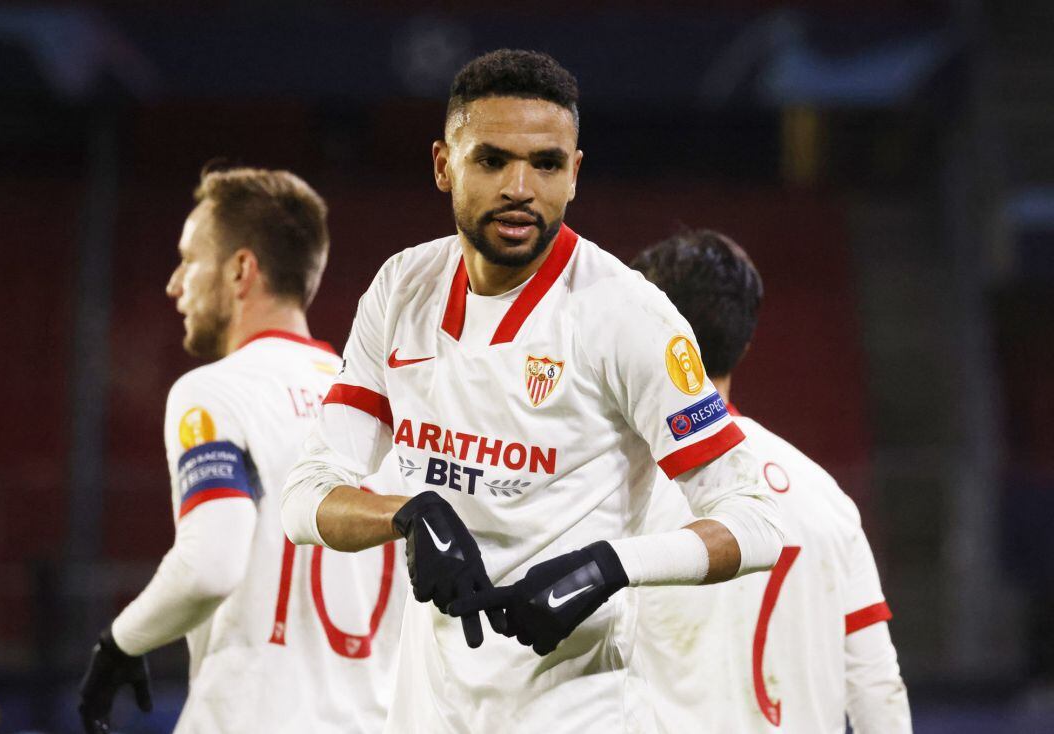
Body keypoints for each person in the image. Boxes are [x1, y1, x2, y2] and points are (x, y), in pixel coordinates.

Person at [280, 50, 785, 732]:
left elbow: (756, 522)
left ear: (574, 174)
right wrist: (406, 515)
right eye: (491, 160)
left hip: (577, 711)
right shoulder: (402, 289)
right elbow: (305, 494)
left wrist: (610, 567)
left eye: (546, 164)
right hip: (428, 713)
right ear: (442, 165)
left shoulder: (627, 316)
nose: (521, 187)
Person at [78, 167, 405, 733]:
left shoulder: (214, 391)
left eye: (189, 259)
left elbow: (210, 564)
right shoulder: (388, 409)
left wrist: (119, 644)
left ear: (240, 270)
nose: (175, 283)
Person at [630, 228, 911, 733]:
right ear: (746, 340)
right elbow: (876, 688)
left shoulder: (612, 493)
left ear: (647, 335)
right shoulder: (826, 495)